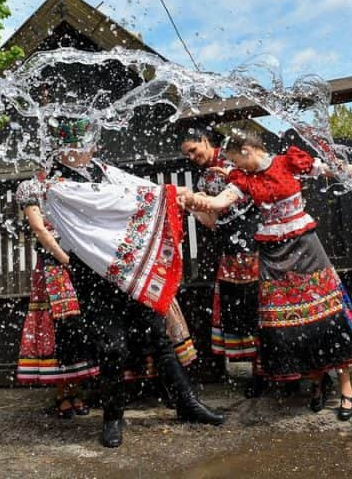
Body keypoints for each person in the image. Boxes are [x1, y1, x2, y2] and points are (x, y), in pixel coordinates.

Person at [38, 119, 223, 448]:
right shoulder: (53, 183)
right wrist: (173, 194)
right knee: (112, 347)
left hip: (129, 268)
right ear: (66, 147)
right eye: (85, 143)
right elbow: (109, 203)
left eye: (91, 142)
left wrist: (172, 196)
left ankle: (187, 404)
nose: (91, 148)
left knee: (157, 335)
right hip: (93, 272)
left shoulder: (104, 169)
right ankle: (112, 416)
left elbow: (137, 189)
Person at [181, 128, 352, 421]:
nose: (235, 167)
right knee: (293, 323)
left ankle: (346, 387)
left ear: (247, 151)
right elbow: (219, 205)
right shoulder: (243, 179)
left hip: (307, 248)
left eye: (236, 161)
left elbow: (333, 171)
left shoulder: (288, 161)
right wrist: (191, 199)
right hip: (273, 256)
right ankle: (318, 381)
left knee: (328, 315)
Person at [180, 128, 263, 397]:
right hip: (229, 252)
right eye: (187, 154)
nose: (192, 156)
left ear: (206, 141)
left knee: (259, 309)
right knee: (240, 311)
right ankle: (255, 373)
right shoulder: (204, 178)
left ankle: (268, 371)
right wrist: (191, 206)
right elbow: (214, 223)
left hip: (255, 245)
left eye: (194, 149)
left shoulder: (233, 162)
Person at [15, 169, 98, 417]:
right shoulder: (30, 187)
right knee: (59, 324)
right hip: (55, 263)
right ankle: (63, 393)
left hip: (79, 258)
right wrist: (65, 259)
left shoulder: (68, 184)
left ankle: (77, 389)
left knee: (78, 324)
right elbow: (40, 230)